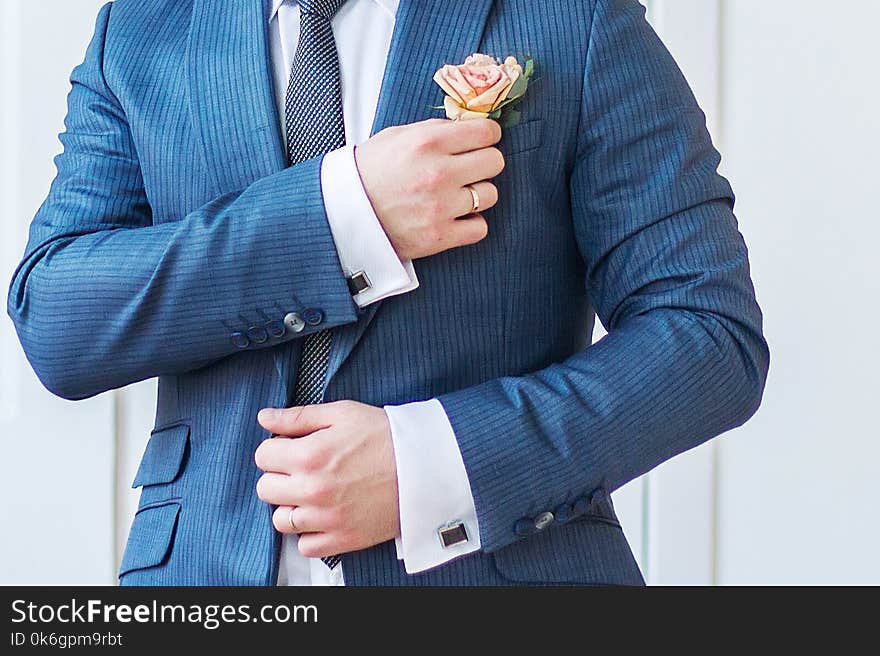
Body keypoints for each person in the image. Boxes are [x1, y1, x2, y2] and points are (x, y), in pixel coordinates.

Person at [6, 0, 769, 586]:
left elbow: (707, 334)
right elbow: (59, 318)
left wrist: (429, 467)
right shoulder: (141, 28)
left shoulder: (574, 16)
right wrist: (343, 216)